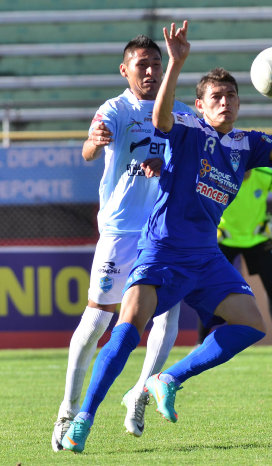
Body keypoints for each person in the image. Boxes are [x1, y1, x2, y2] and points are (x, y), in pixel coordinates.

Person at [61, 20, 272, 453]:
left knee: (252, 324)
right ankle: (82, 418)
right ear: (199, 106)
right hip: (161, 250)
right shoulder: (185, 129)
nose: (225, 102)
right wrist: (177, 63)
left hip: (206, 258)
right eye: (216, 97)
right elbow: (161, 117)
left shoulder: (245, 143)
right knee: (125, 332)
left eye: (231, 96)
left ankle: (167, 378)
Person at [51, 34, 193, 451]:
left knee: (168, 316)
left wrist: (167, 167)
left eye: (155, 64)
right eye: (142, 64)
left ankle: (140, 394)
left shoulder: (180, 114)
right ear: (125, 70)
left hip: (164, 232)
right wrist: (95, 141)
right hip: (120, 230)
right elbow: (89, 149)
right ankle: (67, 410)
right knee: (98, 321)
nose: (150, 71)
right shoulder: (115, 109)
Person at [196, 167, 272, 356]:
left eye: (251, 165)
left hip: (258, 239)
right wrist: (213, 226)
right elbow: (199, 200)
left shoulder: (266, 175)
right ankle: (200, 342)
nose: (247, 172)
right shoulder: (220, 174)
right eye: (244, 166)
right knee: (210, 289)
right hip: (225, 238)